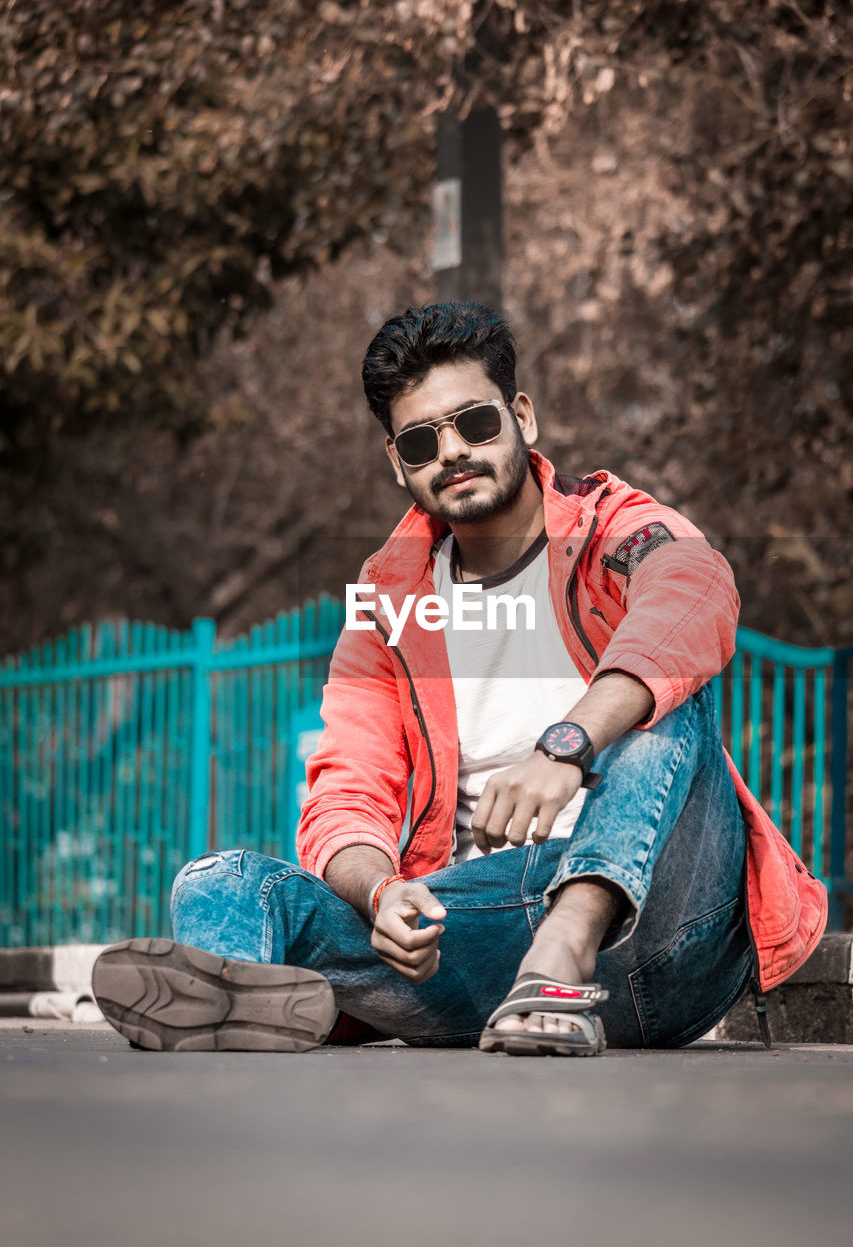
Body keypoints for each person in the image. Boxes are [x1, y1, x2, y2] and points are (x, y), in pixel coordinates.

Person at [93, 301, 826, 1054]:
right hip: (481, 935)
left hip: (664, 935)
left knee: (662, 702)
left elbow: (693, 588)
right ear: (396, 462)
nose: (452, 452)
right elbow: (347, 789)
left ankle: (556, 948)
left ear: (522, 418)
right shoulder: (388, 605)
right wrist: (381, 893)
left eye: (474, 424)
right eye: (420, 441)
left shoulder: (611, 526)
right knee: (221, 882)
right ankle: (263, 1001)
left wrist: (565, 748)